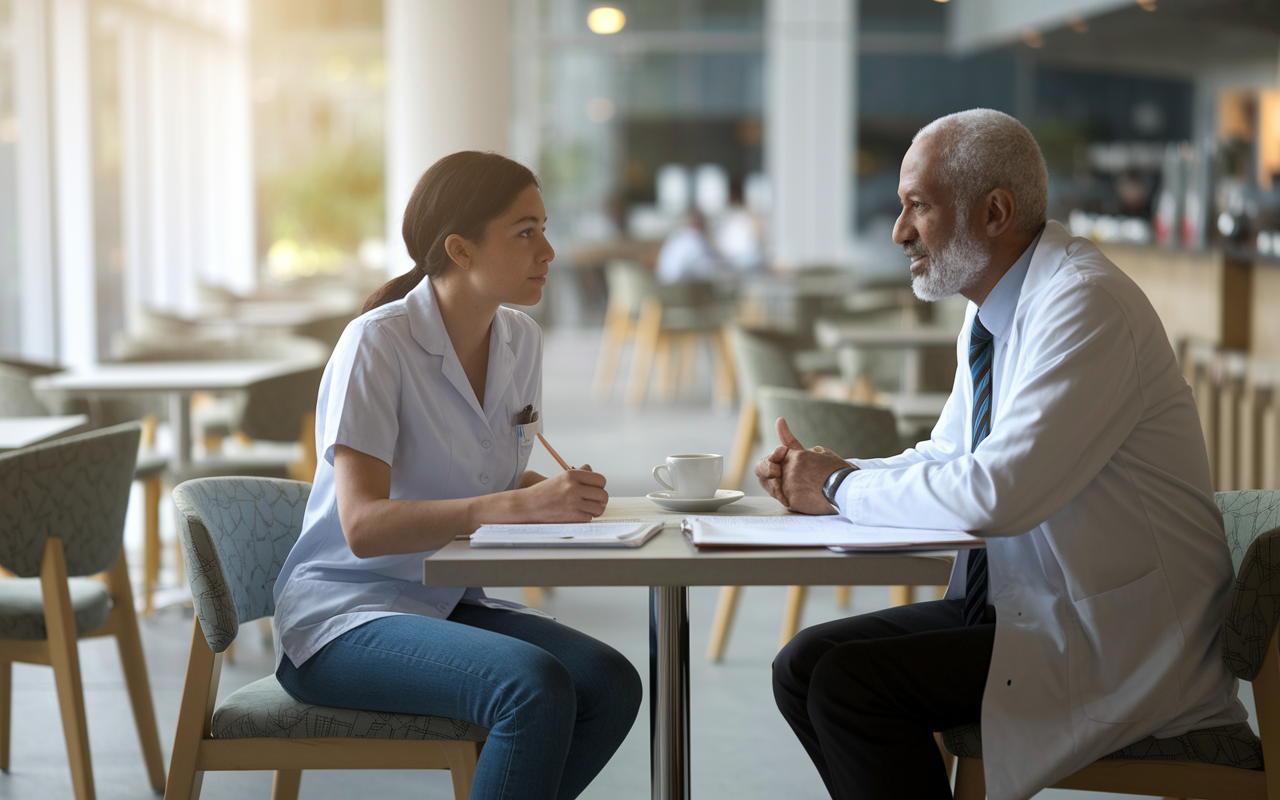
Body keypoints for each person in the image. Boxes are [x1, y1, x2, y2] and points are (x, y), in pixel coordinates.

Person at [757, 109, 1246, 800]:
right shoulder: (989, 308)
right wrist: (834, 472)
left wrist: (838, 488)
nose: (900, 231)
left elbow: (996, 494)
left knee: (850, 687)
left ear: (994, 212)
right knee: (804, 665)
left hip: (1122, 639)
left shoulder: (1085, 304)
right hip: (1028, 603)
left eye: (917, 207)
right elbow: (952, 453)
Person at [272, 151, 642, 800]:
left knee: (610, 683)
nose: (549, 250)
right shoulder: (376, 344)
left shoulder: (521, 340)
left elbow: (477, 471)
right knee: (531, 686)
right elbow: (362, 528)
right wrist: (510, 506)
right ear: (460, 250)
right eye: (525, 231)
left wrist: (546, 495)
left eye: (545, 227)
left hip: (445, 601)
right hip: (346, 612)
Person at [655, 209, 719, 284]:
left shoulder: (677, 236)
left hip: (664, 284)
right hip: (678, 286)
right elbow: (706, 268)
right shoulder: (695, 239)